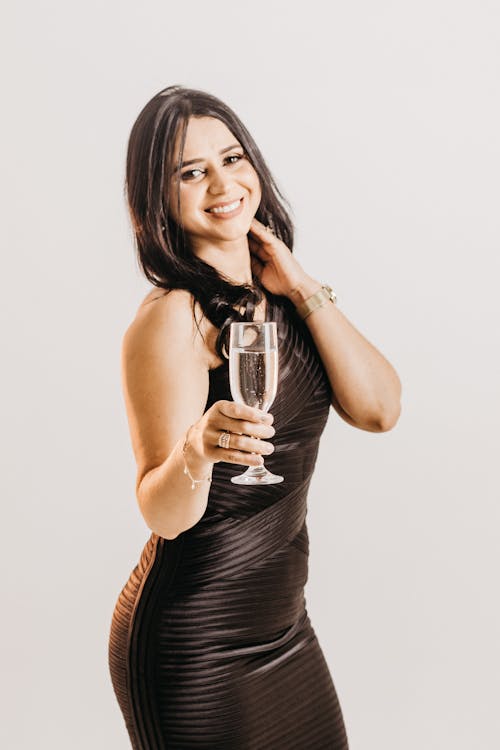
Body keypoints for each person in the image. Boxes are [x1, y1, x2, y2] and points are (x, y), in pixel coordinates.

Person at [107, 84, 401, 749]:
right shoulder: (171, 317)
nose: (222, 182)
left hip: (284, 627)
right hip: (197, 642)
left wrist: (301, 286)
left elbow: (382, 409)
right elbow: (163, 514)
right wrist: (196, 451)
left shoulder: (284, 294)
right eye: (190, 172)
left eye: (232, 158)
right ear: (159, 197)